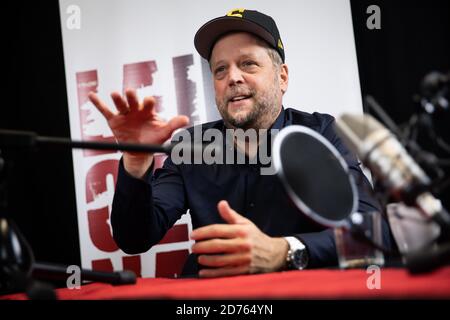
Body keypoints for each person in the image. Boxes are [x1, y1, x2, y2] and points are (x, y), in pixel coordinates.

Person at [88, 9, 391, 277]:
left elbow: (371, 232)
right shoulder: (191, 146)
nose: (232, 77)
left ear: (282, 77)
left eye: (248, 64)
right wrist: (136, 162)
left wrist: (284, 251)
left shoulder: (321, 133)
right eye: (220, 69)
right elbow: (134, 238)